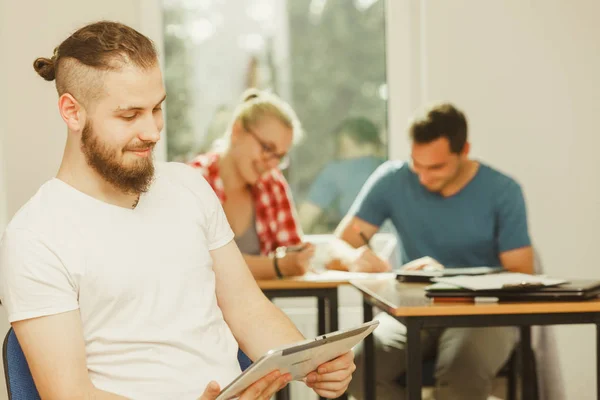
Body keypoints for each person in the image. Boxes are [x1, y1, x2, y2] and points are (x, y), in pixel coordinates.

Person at [0, 21, 354, 400]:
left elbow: (248, 309)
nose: (153, 131)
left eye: (157, 108)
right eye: (130, 115)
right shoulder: (35, 235)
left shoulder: (188, 186)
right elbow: (68, 394)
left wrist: (314, 363)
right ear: (72, 112)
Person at [336, 103, 533, 399]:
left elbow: (522, 273)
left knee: (460, 370)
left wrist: (447, 276)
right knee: (356, 366)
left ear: (464, 150)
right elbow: (340, 243)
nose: (424, 177)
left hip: (484, 315)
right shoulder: (392, 180)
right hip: (412, 312)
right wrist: (355, 258)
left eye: (436, 167)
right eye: (417, 164)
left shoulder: (503, 191)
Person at [189, 89, 315, 281]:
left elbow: (293, 255)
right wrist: (276, 266)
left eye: (279, 157)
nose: (272, 163)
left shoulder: (273, 184)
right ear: (237, 131)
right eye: (267, 148)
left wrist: (299, 257)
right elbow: (197, 262)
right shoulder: (194, 180)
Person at [298, 117, 385, 233]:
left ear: (347, 143)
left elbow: (306, 218)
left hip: (358, 246)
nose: (336, 155)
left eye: (339, 148)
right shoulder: (391, 169)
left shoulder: (336, 171)